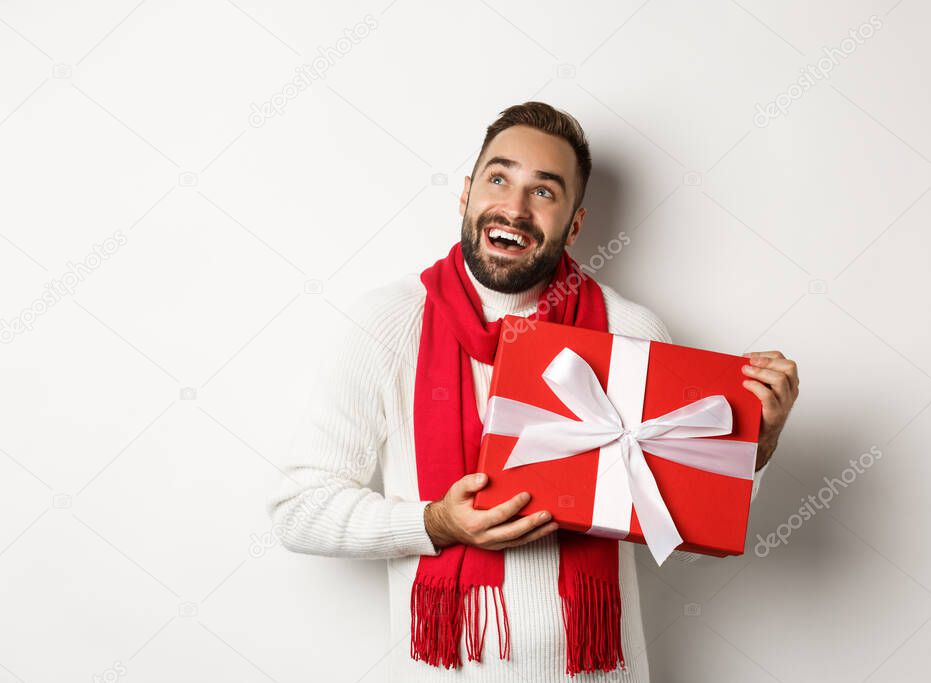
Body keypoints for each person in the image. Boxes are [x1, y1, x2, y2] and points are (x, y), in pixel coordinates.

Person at [266, 101, 799, 682]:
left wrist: (755, 446)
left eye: (543, 192)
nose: (514, 208)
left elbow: (679, 526)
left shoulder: (630, 334)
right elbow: (299, 511)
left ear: (574, 223)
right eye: (499, 179)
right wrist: (433, 524)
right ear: (466, 193)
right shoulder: (388, 325)